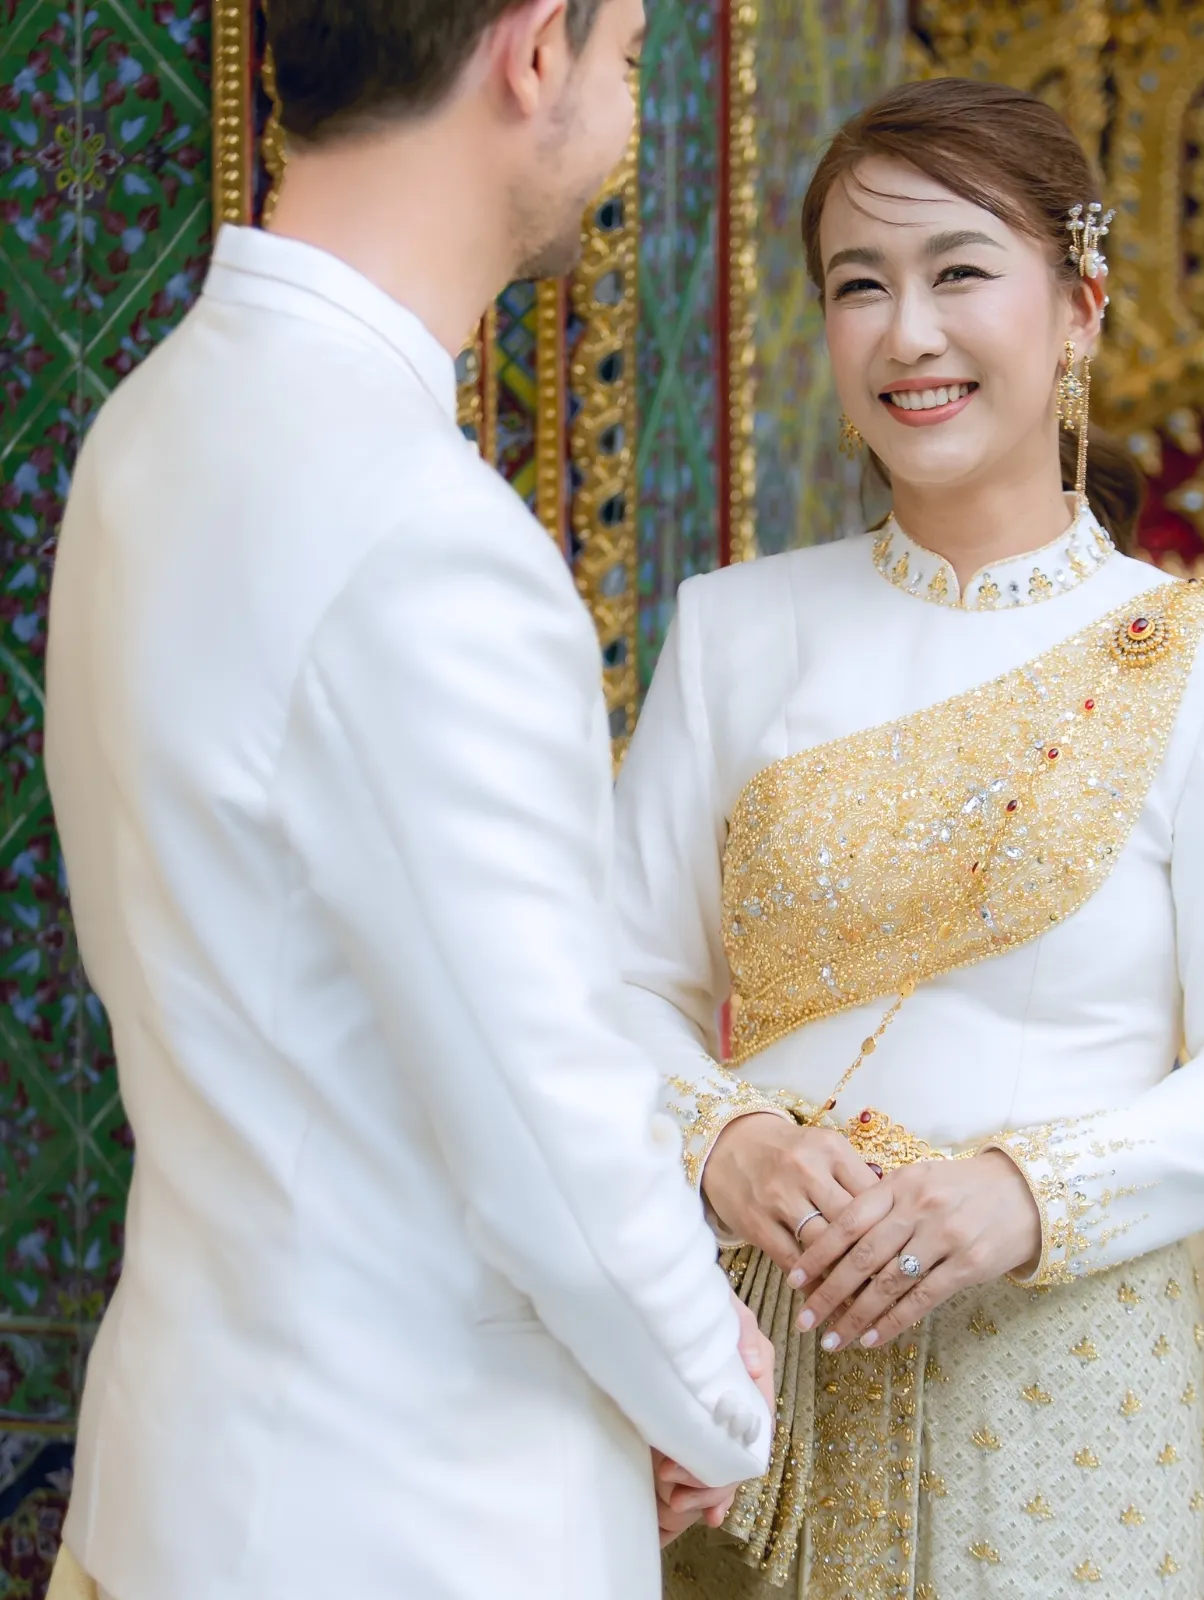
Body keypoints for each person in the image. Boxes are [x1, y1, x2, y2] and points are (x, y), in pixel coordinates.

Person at [42, 3, 773, 1598]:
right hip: (410, 1514)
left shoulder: (148, 427)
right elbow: (546, 1118)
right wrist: (713, 1396)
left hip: (183, 1465)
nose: (636, 110)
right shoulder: (420, 534)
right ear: (530, 55)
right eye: (632, 57)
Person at [619, 78, 1204, 1597]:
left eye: (961, 271)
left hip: (1071, 1397)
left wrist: (1026, 1196)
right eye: (858, 285)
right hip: (760, 1386)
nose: (909, 333)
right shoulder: (730, 636)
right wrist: (733, 1142)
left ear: (1079, 311)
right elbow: (602, 991)